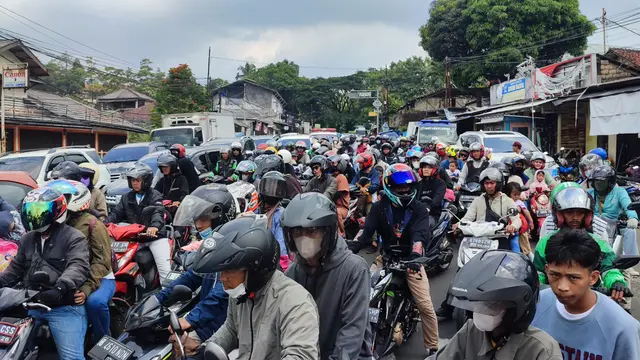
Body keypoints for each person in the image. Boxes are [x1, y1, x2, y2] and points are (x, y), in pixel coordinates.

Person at [186, 215, 320, 360]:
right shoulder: (241, 293)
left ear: (255, 268)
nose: (223, 278)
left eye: (229, 271)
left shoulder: (295, 302)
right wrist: (207, 349)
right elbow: (231, 329)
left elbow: (300, 355)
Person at [348, 164, 439, 355]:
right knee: (364, 294)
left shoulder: (419, 208)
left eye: (407, 187)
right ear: (390, 187)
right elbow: (366, 233)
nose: (404, 190)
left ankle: (433, 347)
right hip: (386, 259)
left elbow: (419, 235)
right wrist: (349, 249)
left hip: (411, 262)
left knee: (425, 305)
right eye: (399, 188)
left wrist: (415, 257)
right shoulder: (380, 207)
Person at [0, 187, 90, 360]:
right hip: (29, 303)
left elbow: (78, 266)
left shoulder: (74, 237)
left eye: (40, 211)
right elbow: (14, 270)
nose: (35, 217)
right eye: (31, 212)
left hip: (62, 306)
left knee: (72, 358)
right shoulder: (27, 239)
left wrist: (60, 287)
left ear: (57, 211)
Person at [282, 193, 372, 359]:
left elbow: (351, 333)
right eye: (298, 232)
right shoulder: (293, 274)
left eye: (312, 231)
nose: (304, 238)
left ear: (327, 232)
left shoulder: (354, 270)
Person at [428, 250, 563, 360]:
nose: (481, 311)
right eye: (478, 303)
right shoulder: (472, 331)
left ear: (515, 309)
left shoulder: (542, 350)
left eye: (492, 305)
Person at [532, 229, 640, 360]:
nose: (562, 287)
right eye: (555, 275)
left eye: (573, 278)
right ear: (547, 270)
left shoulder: (623, 328)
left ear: (593, 277)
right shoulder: (535, 306)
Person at [438, 168, 522, 320]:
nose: (489, 186)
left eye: (492, 183)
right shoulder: (478, 200)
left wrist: (513, 226)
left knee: (505, 272)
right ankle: (448, 307)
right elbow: (468, 218)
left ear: (498, 184)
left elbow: (517, 219)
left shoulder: (507, 201)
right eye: (486, 183)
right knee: (460, 272)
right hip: (477, 241)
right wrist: (459, 225)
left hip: (498, 239)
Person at [47, 179, 115, 344]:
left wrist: (86, 288)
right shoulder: (54, 224)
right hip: (68, 276)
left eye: (65, 197)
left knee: (95, 303)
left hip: (100, 277)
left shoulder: (94, 225)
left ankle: (102, 343)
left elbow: (102, 262)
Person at [533, 185, 628, 297]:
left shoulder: (598, 242)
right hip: (554, 297)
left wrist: (616, 282)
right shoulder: (545, 243)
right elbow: (538, 273)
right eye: (569, 212)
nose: (575, 217)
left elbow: (608, 269)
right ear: (559, 215)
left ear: (587, 215)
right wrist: (536, 284)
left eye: (580, 212)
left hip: (590, 297)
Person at [162, 197, 229, 351]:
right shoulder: (209, 251)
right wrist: (159, 297)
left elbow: (220, 294)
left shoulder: (232, 254)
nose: (199, 225)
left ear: (218, 219)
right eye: (197, 219)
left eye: (204, 219)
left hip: (221, 329)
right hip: (205, 324)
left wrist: (189, 320)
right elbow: (191, 277)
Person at [106, 162, 171, 279]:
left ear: (146, 180)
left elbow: (158, 211)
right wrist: (104, 224)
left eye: (138, 180)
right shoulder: (126, 197)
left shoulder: (155, 195)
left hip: (155, 237)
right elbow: (116, 213)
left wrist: (154, 227)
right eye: (132, 180)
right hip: (135, 237)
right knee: (114, 262)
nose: (135, 183)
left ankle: (167, 293)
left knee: (165, 271)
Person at [588, 165, 639, 257]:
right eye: (596, 181)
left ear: (610, 182)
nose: (598, 183)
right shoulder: (589, 193)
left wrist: (633, 218)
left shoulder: (619, 192)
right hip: (593, 225)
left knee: (630, 231)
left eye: (602, 181)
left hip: (614, 226)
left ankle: (629, 260)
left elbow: (628, 205)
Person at [256, 171, 290, 271]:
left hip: (270, 260)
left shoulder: (280, 214)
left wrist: (281, 262)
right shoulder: (257, 209)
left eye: (275, 188)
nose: (271, 191)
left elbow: (280, 243)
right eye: (269, 187)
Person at [504, 182, 534, 258]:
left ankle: (522, 257)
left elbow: (526, 212)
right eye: (514, 194)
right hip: (507, 226)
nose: (517, 196)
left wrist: (531, 221)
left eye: (518, 194)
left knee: (521, 243)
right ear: (508, 194)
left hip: (519, 226)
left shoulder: (519, 202)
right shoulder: (505, 202)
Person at [351, 152, 380, 221]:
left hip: (370, 199)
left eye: (361, 163)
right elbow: (352, 184)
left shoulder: (374, 173)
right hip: (358, 198)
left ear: (366, 163)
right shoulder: (359, 173)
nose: (359, 165)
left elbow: (375, 186)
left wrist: (366, 189)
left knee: (370, 215)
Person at [418, 156, 446, 225]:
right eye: (424, 167)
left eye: (429, 167)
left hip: (433, 214)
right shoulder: (418, 184)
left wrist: (428, 207)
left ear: (435, 169)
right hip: (418, 213)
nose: (426, 169)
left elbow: (438, 198)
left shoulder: (440, 183)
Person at [328, 154, 351, 237]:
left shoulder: (341, 177)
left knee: (336, 212)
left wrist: (327, 198)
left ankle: (341, 234)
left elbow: (338, 193)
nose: (332, 166)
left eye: (334, 164)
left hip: (341, 207)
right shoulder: (330, 177)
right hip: (331, 205)